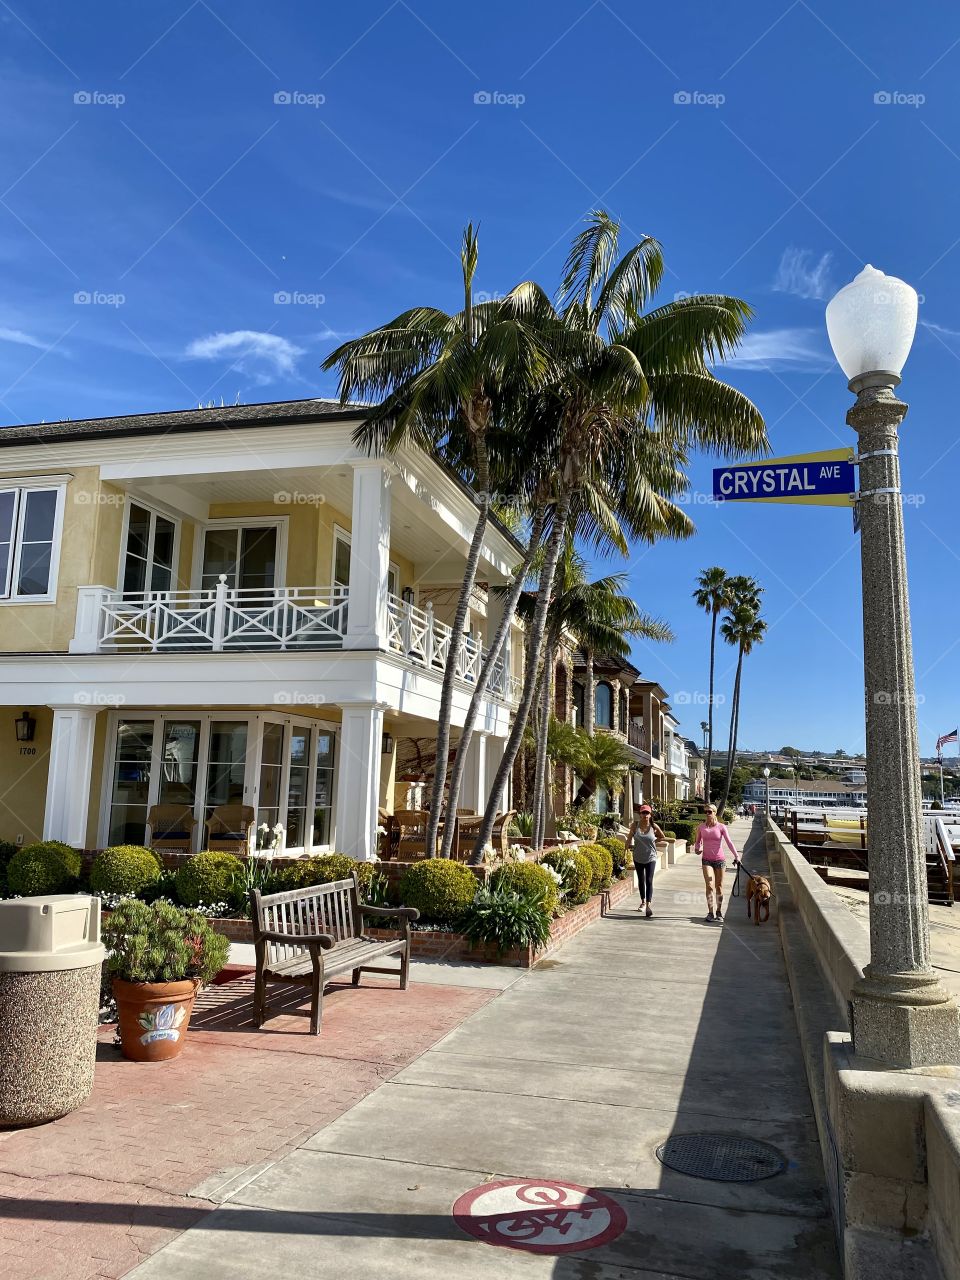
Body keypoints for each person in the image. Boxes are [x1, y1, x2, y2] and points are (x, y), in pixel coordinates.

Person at [695, 803, 738, 923]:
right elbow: (697, 842)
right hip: (706, 860)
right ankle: (710, 912)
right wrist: (697, 849)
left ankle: (719, 911)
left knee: (719, 887)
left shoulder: (721, 827)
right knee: (709, 885)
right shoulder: (701, 827)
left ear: (715, 813)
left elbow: (729, 842)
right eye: (706, 812)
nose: (707, 814)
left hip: (720, 860)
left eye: (710, 811)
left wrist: (737, 856)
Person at [626, 803, 665, 918]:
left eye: (647, 813)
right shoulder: (635, 825)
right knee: (641, 880)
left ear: (650, 814)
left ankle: (648, 904)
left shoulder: (654, 827)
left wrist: (654, 841)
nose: (645, 815)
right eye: (643, 813)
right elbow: (629, 839)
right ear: (640, 814)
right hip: (638, 856)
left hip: (651, 857)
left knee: (649, 880)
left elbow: (662, 836)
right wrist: (625, 851)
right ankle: (642, 901)